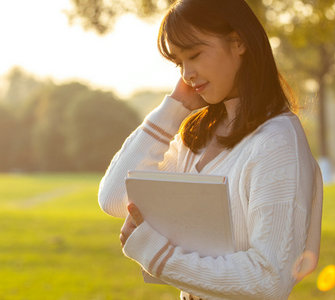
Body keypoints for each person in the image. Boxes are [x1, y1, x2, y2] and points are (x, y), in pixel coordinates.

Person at [98, 0, 323, 299]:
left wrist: (158, 256)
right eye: (179, 63)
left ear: (238, 42)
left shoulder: (277, 142)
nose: (187, 74)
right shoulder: (197, 137)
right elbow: (114, 198)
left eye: (194, 54)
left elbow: (269, 278)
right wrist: (174, 107)